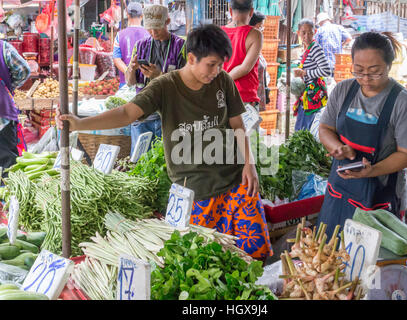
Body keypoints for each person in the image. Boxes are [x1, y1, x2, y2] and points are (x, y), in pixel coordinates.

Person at [57, 24, 273, 260]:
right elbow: (127, 113)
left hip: (235, 181)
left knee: (255, 254)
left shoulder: (223, 81)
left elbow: (237, 125)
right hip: (195, 189)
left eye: (220, 65)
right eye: (211, 64)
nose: (216, 71)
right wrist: (79, 123)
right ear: (191, 58)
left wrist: (249, 164)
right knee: (206, 262)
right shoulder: (165, 86)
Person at [317, 32, 407, 240]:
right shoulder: (343, 90)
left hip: (381, 194)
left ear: (389, 65)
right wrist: (337, 147)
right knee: (330, 254)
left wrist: (372, 170)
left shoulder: (404, 103)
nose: (365, 78)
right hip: (340, 190)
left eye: (374, 72)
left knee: (374, 263)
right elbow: (325, 128)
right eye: (358, 70)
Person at [125, 4, 186, 155]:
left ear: (167, 21)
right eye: (149, 28)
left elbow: (186, 83)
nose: (153, 32)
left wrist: (159, 76)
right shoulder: (140, 46)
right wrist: (131, 69)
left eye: (157, 28)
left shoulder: (182, 46)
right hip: (143, 114)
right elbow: (130, 82)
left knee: (166, 161)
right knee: (139, 162)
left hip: (170, 115)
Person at [222, 0, 263, 109]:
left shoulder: (219, 33)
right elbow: (245, 68)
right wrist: (225, 80)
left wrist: (221, 82)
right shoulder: (255, 34)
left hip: (222, 95)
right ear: (251, 12)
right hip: (245, 97)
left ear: (230, 11)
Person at [293, 18, 331, 131]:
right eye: (303, 32)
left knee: (305, 129)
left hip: (313, 95)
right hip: (307, 94)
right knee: (303, 127)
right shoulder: (305, 49)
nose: (307, 36)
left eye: (310, 32)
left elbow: (326, 70)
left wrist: (306, 73)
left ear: (314, 32)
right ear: (298, 33)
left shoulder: (315, 48)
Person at [0, 40, 30, 176]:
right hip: (3, 112)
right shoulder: (3, 47)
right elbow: (24, 70)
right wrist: (10, 85)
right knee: (8, 164)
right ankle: (7, 194)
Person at [113, 2, 149, 88]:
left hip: (125, 84)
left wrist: (128, 72)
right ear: (142, 16)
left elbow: (116, 59)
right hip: (146, 84)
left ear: (127, 15)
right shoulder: (150, 34)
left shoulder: (119, 35)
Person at [249, 11, 270, 111]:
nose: (262, 29)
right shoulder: (249, 45)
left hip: (257, 95)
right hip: (250, 96)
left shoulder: (256, 45)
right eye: (260, 26)